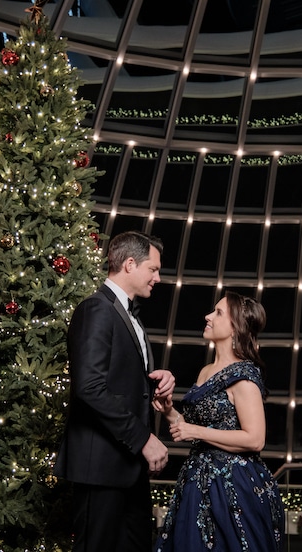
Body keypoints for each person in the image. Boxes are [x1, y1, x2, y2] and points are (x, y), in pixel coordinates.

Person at [55, 231, 176, 552]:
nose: (158, 278)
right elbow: (89, 387)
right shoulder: (95, 309)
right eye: (153, 269)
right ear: (130, 264)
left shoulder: (128, 314)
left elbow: (117, 380)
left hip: (128, 467)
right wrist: (144, 439)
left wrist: (154, 381)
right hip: (102, 467)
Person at [152, 291, 285, 552]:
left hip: (233, 489)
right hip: (196, 482)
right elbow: (197, 428)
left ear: (235, 327)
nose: (208, 316)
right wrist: (169, 411)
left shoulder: (244, 376)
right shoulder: (206, 371)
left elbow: (255, 439)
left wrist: (195, 430)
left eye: (218, 313)